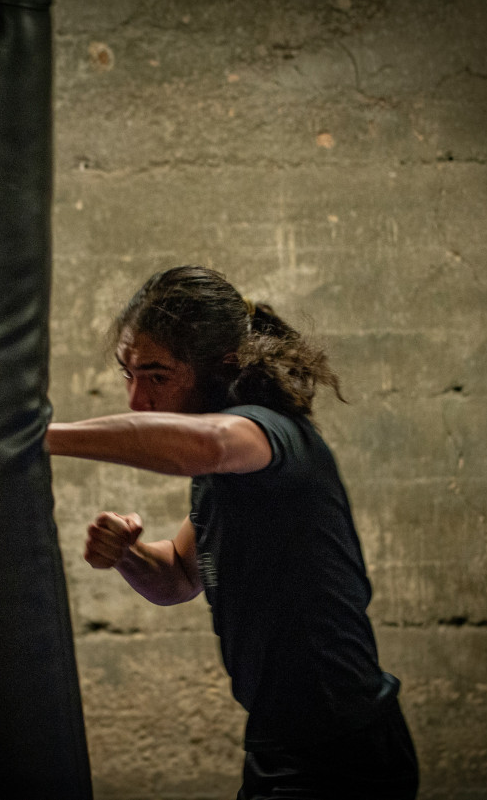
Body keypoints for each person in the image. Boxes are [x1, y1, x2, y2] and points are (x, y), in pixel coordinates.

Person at [46, 266, 418, 800]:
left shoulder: (269, 434)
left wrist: (37, 438)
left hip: (343, 749)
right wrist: (128, 554)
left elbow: (211, 443)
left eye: (156, 376)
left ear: (218, 369)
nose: (136, 398)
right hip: (280, 743)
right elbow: (177, 577)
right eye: (128, 373)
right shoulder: (222, 481)